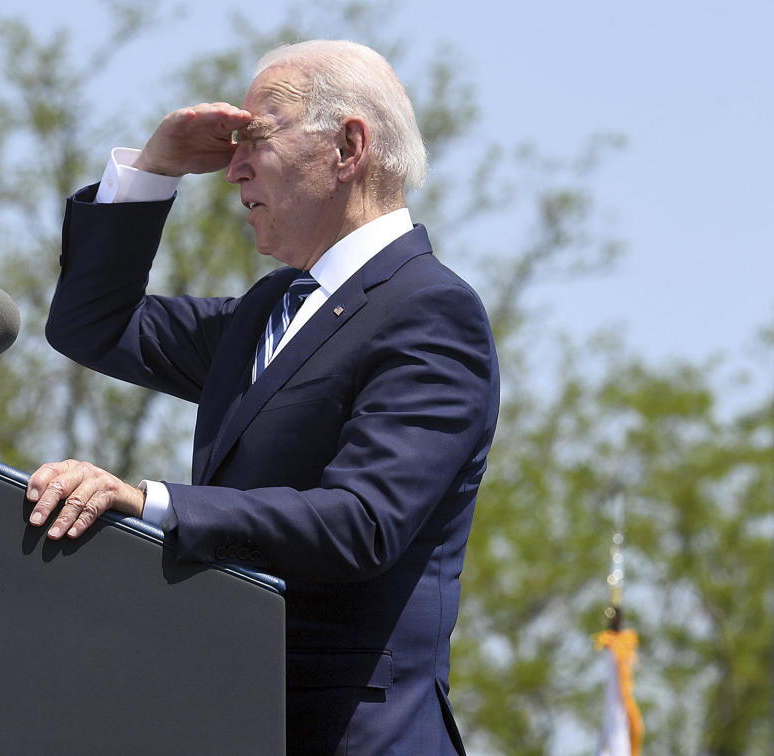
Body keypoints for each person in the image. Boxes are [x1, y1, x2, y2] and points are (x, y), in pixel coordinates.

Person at [26, 39, 499, 755]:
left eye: (258, 137)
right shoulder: (269, 309)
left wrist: (151, 503)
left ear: (348, 146)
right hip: (234, 722)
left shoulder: (431, 310)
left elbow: (363, 521)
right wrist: (154, 170)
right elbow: (94, 326)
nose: (233, 168)